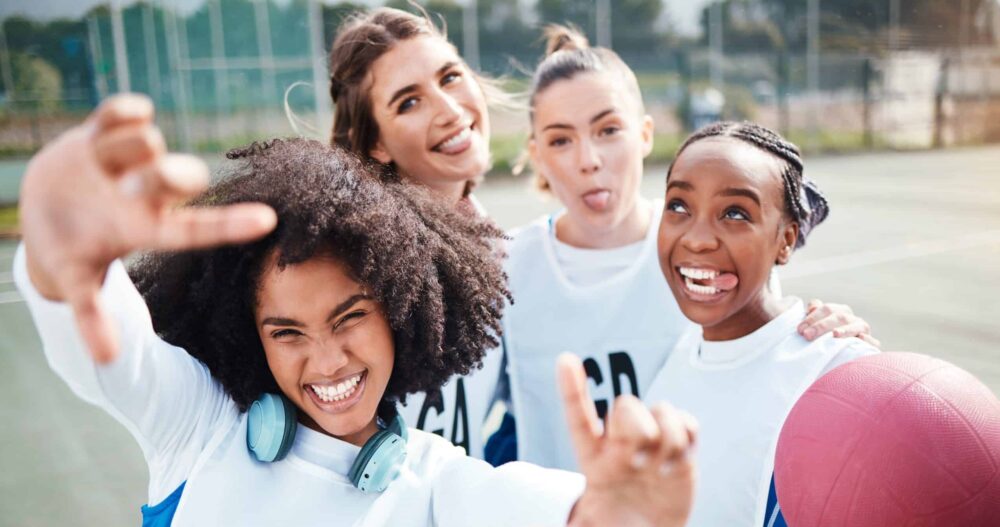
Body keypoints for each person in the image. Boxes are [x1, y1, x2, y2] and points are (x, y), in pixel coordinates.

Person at [16, 94, 698, 527]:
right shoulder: (197, 428)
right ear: (250, 334)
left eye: (349, 317)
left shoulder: (442, 483)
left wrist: (622, 516)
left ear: (400, 309)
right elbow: (101, 345)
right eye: (287, 332)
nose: (327, 360)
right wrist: (56, 246)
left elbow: (574, 515)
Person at [489, 25, 878, 470]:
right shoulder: (506, 265)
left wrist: (821, 327)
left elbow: (769, 346)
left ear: (645, 135)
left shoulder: (699, 253)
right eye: (561, 140)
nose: (588, 159)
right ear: (537, 155)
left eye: (609, 129)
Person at [646, 121, 880, 527]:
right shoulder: (677, 355)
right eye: (679, 206)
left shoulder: (836, 371)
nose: (698, 239)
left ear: (786, 240)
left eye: (735, 213)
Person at [326, 7, 506, 454]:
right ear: (375, 144)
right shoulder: (347, 267)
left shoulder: (507, 252)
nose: (449, 110)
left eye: (449, 78)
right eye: (409, 102)